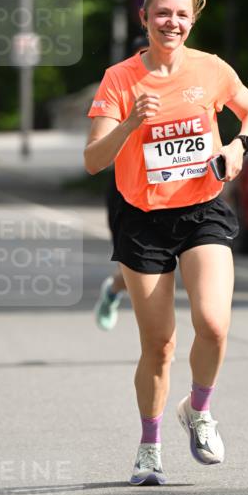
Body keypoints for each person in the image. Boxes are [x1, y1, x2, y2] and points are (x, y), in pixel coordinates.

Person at [84, 0, 248, 485]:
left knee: (213, 323)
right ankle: (149, 446)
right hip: (141, 218)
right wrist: (128, 126)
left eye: (182, 14)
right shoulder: (119, 79)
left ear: (193, 18)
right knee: (160, 344)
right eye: (163, 14)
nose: (173, 23)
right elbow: (94, 160)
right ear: (145, 19)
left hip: (202, 208)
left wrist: (238, 147)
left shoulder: (210, 69)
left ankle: (200, 410)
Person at [93, 35, 148, 331]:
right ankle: (113, 290)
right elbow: (96, 149)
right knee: (132, 267)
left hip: (176, 191)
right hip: (126, 188)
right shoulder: (120, 86)